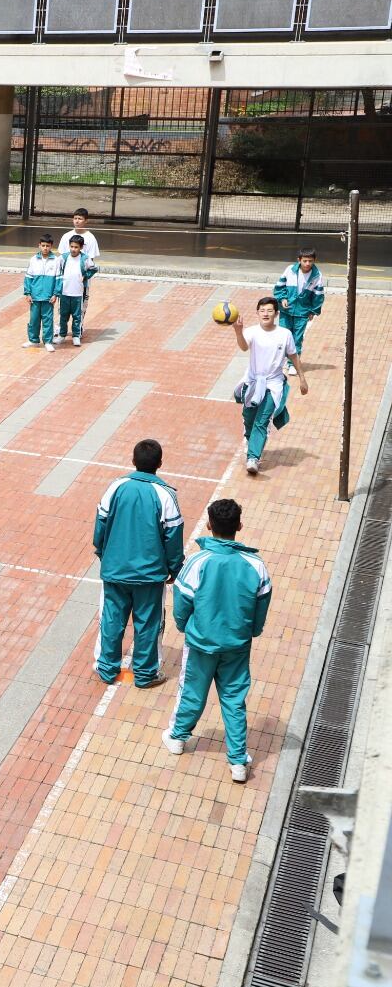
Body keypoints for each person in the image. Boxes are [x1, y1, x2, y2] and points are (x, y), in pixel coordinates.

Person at [163, 499, 272, 784]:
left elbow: (182, 602)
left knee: (192, 692)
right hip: (237, 646)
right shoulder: (256, 566)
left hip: (200, 644)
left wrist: (185, 626)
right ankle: (238, 761)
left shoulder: (197, 562)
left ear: (209, 525)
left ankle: (178, 738)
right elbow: (261, 605)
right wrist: (252, 631)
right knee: (234, 701)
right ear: (239, 526)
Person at [93, 439, 183, 688]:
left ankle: (107, 669)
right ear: (160, 464)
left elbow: (100, 525)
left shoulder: (116, 487)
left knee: (112, 620)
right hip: (150, 575)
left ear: (133, 461)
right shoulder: (166, 495)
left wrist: (103, 554)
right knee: (148, 624)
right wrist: (174, 568)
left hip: (115, 570)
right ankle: (145, 675)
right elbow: (173, 537)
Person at [232, 296, 308, 474]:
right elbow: (244, 347)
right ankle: (251, 441)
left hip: (273, 384)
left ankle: (253, 458)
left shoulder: (285, 334)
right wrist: (238, 331)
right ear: (257, 313)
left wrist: (302, 378)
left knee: (262, 421)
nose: (266, 314)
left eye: (269, 311)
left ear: (276, 314)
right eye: (262, 310)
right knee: (249, 418)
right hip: (252, 382)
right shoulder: (251, 331)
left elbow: (293, 356)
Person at [275, 247, 325, 373]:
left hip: (303, 313)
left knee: (297, 338)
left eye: (310, 261)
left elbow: (318, 295)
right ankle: (280, 360)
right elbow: (279, 286)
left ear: (314, 260)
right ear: (299, 260)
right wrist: (282, 298)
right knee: (283, 336)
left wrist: (313, 311)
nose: (307, 264)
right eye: (305, 261)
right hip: (286, 311)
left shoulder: (317, 276)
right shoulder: (289, 270)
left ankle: (293, 364)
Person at [56, 234, 99, 347]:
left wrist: (85, 276)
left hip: (78, 293)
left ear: (81, 248)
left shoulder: (85, 258)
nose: (73, 249)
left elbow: (94, 268)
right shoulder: (63, 257)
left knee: (77, 316)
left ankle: (76, 336)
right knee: (63, 315)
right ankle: (62, 335)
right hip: (64, 292)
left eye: (76, 247)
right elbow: (55, 268)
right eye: (71, 246)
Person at [22, 234, 62, 351]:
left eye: (47, 246)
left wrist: (55, 294)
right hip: (35, 296)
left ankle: (48, 342)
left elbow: (58, 279)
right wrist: (28, 293)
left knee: (47, 320)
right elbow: (28, 277)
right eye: (43, 245)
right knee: (34, 319)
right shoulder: (33, 260)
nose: (45, 248)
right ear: (39, 245)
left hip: (48, 297)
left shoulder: (56, 261)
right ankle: (33, 340)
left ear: (51, 246)